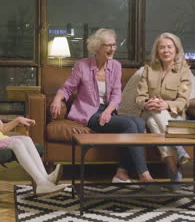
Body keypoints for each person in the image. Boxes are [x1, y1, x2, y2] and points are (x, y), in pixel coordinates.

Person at [50, 28, 155, 183]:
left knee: (139, 122)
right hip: (89, 113)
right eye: (108, 45)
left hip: (107, 111)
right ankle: (143, 174)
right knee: (129, 125)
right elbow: (67, 88)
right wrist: (57, 99)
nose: (112, 49)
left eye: (114, 45)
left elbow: (116, 95)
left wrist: (108, 110)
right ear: (97, 47)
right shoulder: (82, 66)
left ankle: (121, 171)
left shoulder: (116, 66)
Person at [0, 72, 66, 195]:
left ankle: (46, 178)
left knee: (26, 139)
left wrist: (18, 120)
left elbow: (2, 129)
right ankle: (41, 182)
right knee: (17, 143)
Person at [136, 32, 192, 183]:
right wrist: (147, 103)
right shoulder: (148, 69)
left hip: (173, 115)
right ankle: (179, 148)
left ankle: (173, 172)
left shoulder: (184, 71)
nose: (165, 51)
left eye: (169, 47)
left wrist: (166, 105)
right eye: (162, 48)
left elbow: (183, 101)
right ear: (157, 51)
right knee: (155, 112)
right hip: (149, 111)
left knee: (155, 122)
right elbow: (140, 97)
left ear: (176, 50)